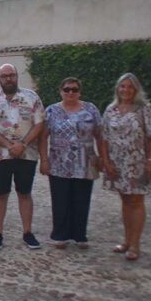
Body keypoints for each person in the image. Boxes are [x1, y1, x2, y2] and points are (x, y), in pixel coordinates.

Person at [0, 63, 45, 250]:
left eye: (12, 75)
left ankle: (27, 233)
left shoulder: (31, 98)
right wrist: (9, 145)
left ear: (17, 76)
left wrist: (23, 144)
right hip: (0, 156)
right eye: (4, 76)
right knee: (0, 194)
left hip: (27, 155)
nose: (8, 78)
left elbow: (39, 124)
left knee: (24, 193)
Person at [101, 73, 151, 261]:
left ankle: (135, 244)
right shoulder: (111, 109)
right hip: (117, 163)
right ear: (117, 89)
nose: (126, 90)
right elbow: (103, 137)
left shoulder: (144, 108)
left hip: (137, 162)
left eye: (129, 87)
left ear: (135, 89)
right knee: (125, 201)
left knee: (136, 202)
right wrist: (106, 162)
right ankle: (126, 240)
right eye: (122, 86)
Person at [38, 77, 103, 249]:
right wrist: (44, 160)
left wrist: (103, 158)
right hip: (59, 161)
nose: (70, 92)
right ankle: (61, 234)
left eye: (74, 89)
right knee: (60, 198)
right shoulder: (51, 111)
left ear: (79, 91)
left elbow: (100, 135)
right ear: (61, 91)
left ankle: (80, 234)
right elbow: (43, 137)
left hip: (85, 160)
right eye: (67, 89)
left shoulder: (91, 109)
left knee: (82, 198)